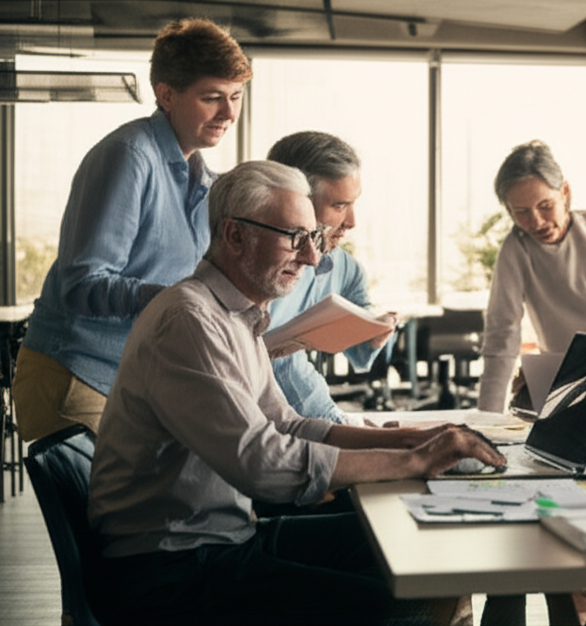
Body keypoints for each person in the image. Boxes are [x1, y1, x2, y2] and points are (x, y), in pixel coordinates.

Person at [87, 160, 505, 626]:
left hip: (221, 541)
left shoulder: (234, 316)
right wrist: (413, 463)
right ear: (235, 234)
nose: (310, 258)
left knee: (430, 546)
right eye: (294, 237)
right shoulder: (190, 321)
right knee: (410, 608)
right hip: (171, 572)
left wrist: (407, 439)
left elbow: (287, 424)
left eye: (314, 238)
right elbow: (262, 464)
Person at [13, 18, 252, 443]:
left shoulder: (203, 181)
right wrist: (166, 300)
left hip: (128, 381)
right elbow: (81, 283)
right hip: (75, 375)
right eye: (212, 97)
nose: (230, 113)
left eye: (235, 96)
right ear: (166, 94)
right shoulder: (129, 155)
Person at [478, 139, 586, 414]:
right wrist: (486, 418)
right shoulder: (516, 249)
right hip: (557, 383)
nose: (536, 221)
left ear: (565, 192)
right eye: (522, 212)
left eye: (545, 205)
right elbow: (502, 333)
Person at [266, 131, 395, 424]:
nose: (351, 222)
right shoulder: (250, 265)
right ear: (296, 199)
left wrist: (376, 332)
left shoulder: (343, 266)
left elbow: (363, 338)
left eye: (352, 203)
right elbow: (281, 365)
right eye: (339, 206)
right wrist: (335, 425)